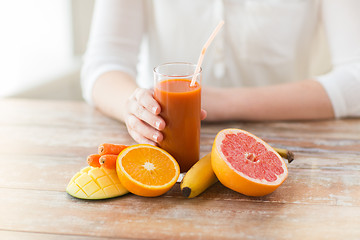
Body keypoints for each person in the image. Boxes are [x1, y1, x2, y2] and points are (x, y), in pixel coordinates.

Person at [81, 0, 360, 146]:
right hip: (167, 140)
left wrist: (221, 103)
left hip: (285, 147)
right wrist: (134, 107)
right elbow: (103, 64)